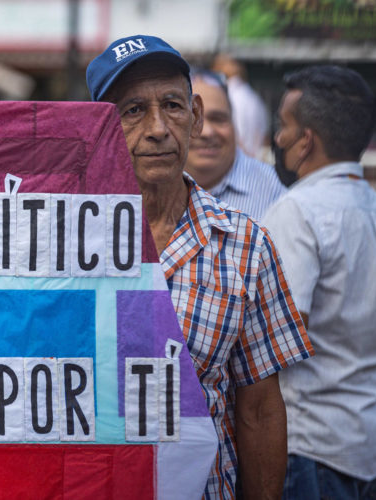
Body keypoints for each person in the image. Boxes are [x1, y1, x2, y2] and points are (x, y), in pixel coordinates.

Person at [86, 35, 313, 500]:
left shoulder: (245, 245)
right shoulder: (60, 240)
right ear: (98, 129)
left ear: (195, 115)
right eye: (131, 111)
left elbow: (260, 409)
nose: (156, 128)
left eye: (171, 105)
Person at [262, 66, 376, 499]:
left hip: (313, 448)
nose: (278, 138)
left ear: (306, 140)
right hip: (373, 446)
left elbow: (279, 334)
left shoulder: (297, 211)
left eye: (284, 125)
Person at [184, 69, 286, 220]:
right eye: (193, 120)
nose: (207, 132)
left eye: (218, 119)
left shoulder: (277, 192)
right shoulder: (149, 187)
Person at [212, 54, 269, 161]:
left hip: (238, 160)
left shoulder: (227, 96)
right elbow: (265, 136)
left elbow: (236, 136)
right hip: (256, 160)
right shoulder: (254, 98)